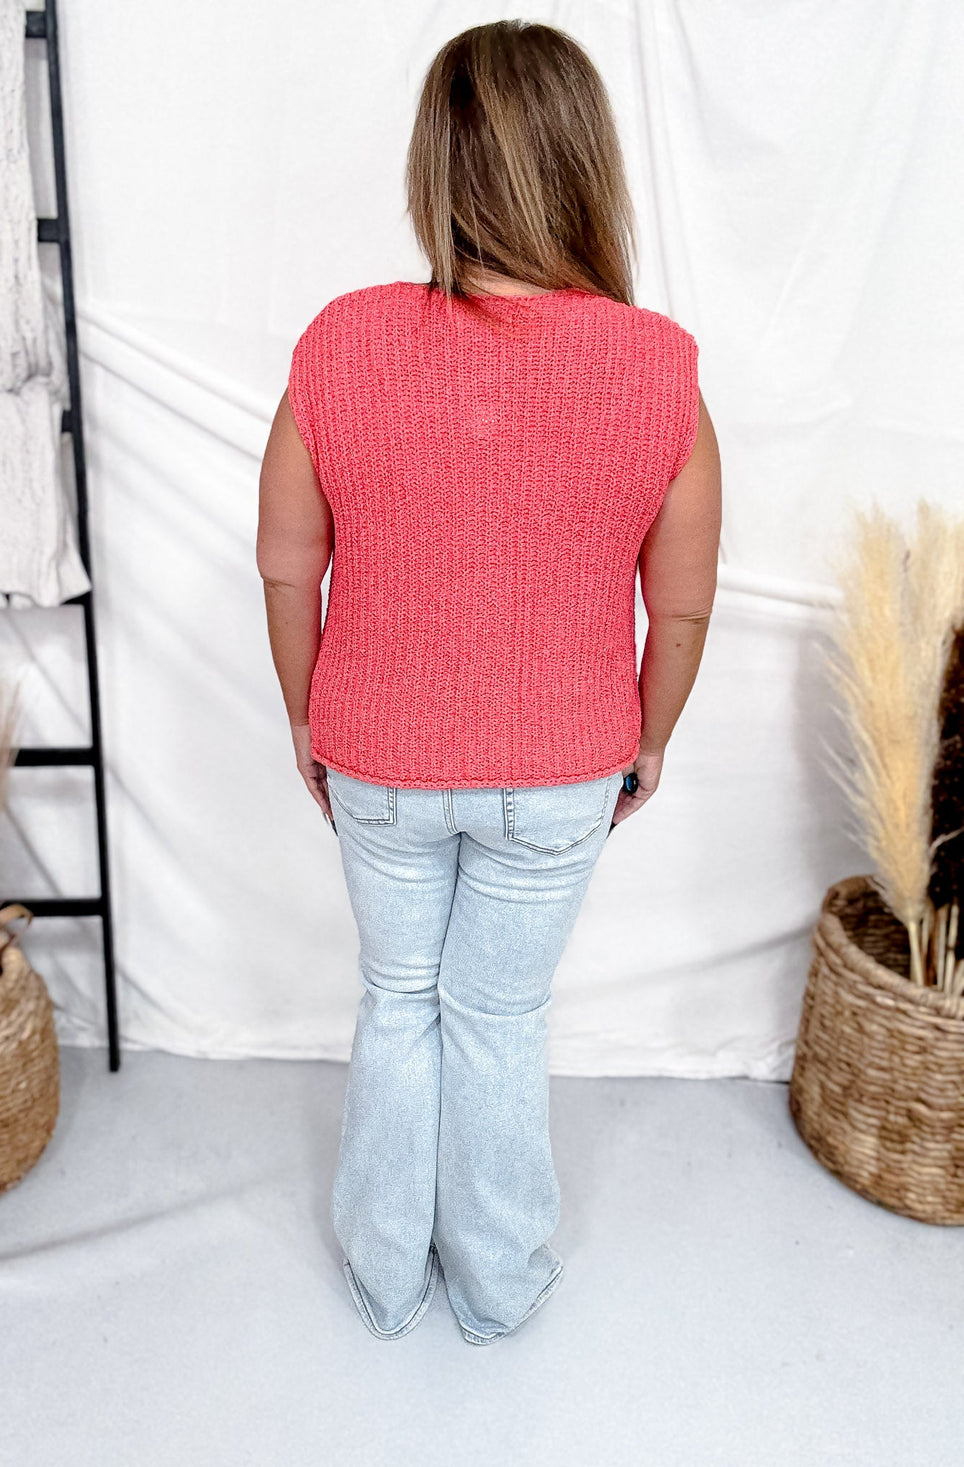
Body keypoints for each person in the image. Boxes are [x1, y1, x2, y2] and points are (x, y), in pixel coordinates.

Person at [256, 19, 722, 1346]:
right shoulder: (659, 366)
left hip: (380, 754)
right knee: (500, 1015)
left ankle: (385, 1272)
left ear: (435, 167)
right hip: (569, 759)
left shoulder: (341, 344)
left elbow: (289, 569)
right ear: (586, 167)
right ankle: (504, 1281)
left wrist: (306, 712)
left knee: (400, 1000)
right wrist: (652, 738)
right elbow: (678, 601)